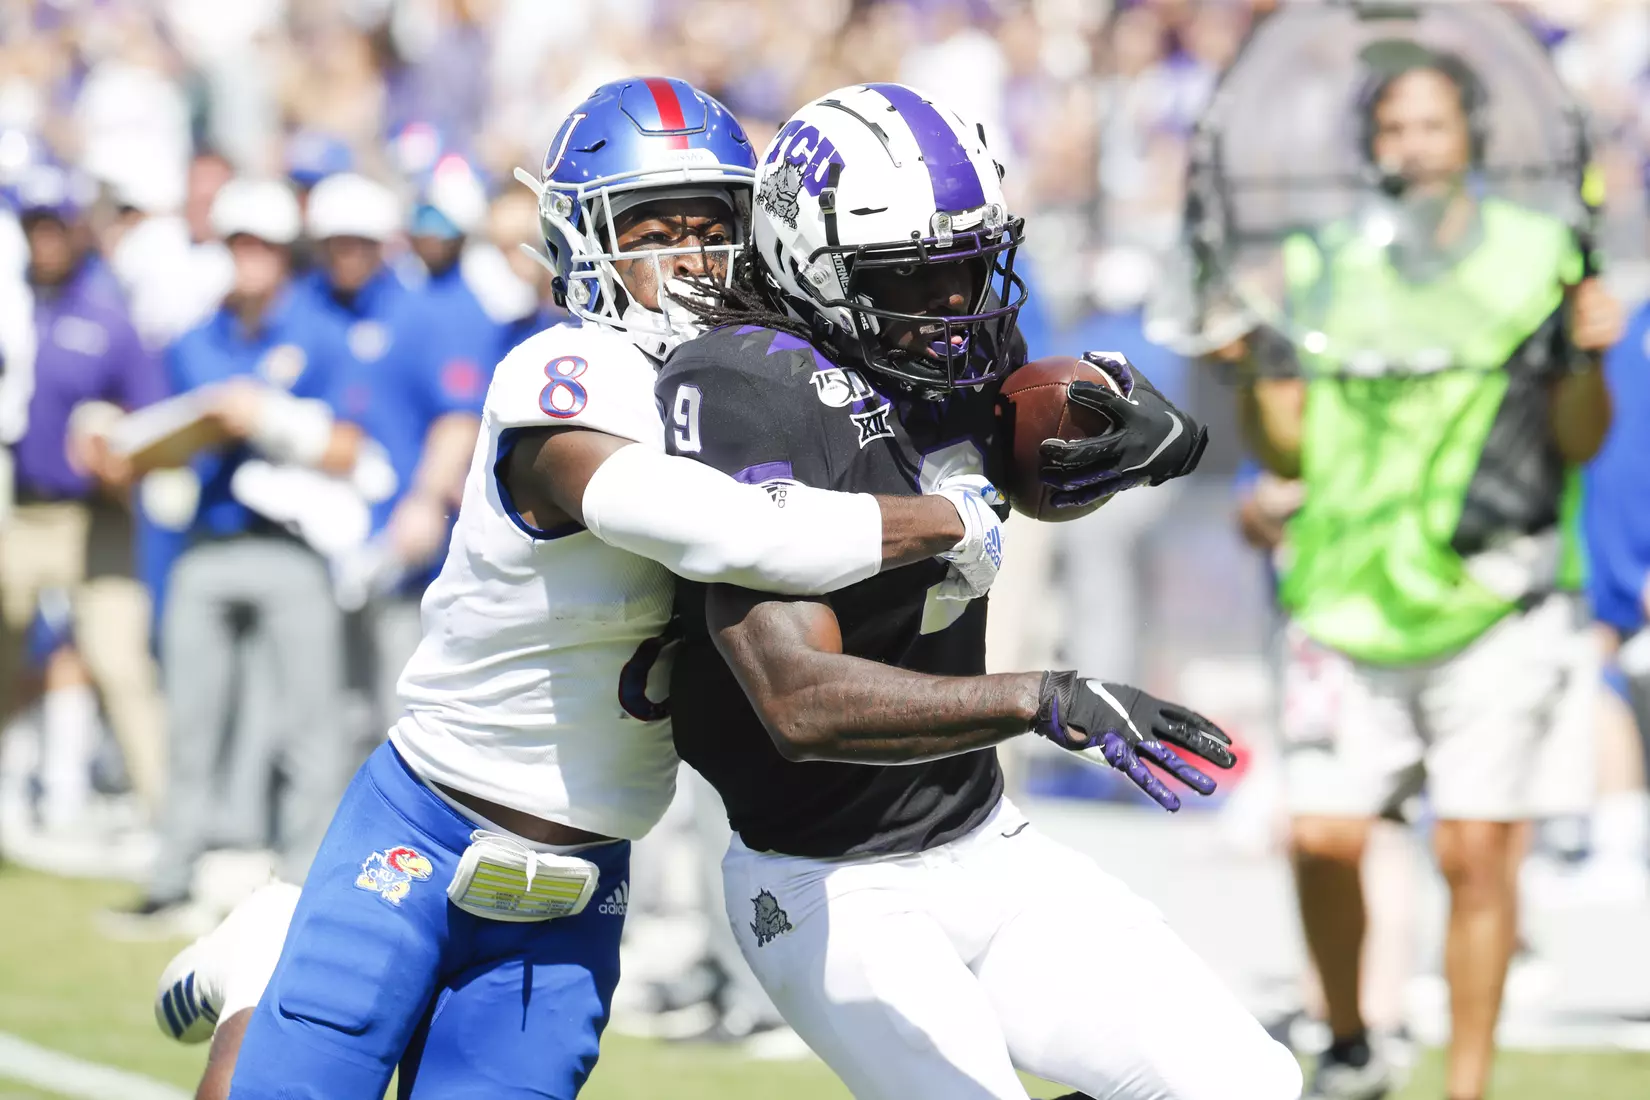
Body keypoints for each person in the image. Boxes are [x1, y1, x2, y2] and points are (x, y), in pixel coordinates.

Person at [179, 77, 1008, 1100]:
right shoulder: (565, 368)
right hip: (427, 819)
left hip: (583, 879)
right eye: (654, 229)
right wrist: (948, 513)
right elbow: (715, 527)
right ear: (585, 240)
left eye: (713, 227)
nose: (692, 258)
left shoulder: (756, 384)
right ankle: (261, 969)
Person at [654, 83, 1298, 1100]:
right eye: (920, 276)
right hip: (827, 877)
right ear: (813, 265)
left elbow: (1001, 483)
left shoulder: (946, 340)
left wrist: (1143, 438)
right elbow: (796, 698)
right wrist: (1040, 697)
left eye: (968, 265)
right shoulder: (744, 388)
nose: (959, 305)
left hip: (984, 842)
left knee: (1246, 1081)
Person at [1228, 45, 1622, 1100]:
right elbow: (1290, 450)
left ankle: (1469, 1085)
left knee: (1475, 856)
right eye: (1393, 127)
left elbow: (1581, 437)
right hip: (1340, 591)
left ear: (1473, 140)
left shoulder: (1543, 253)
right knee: (1321, 836)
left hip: (1498, 589)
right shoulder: (1316, 266)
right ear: (1369, 143)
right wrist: (1247, 373)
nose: (1410, 146)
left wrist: (1588, 353)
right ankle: (1354, 1043)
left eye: (1431, 126)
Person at [117, 178, 364, 928]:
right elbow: (151, 441)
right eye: (237, 245)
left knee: (307, 728)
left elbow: (349, 448)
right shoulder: (195, 337)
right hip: (210, 536)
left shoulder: (321, 333)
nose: (248, 259)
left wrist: (268, 418)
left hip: (293, 546)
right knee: (190, 720)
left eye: (259, 245)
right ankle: (172, 874)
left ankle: (300, 887)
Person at [1, 161, 168, 830]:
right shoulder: (10, 308)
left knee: (121, 665)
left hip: (93, 515)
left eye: (56, 226)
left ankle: (167, 829)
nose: (45, 240)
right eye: (34, 225)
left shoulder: (108, 320)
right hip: (16, 511)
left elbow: (153, 422)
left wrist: (119, 455)